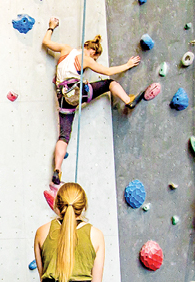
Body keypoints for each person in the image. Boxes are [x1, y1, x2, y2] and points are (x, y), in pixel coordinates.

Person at [42, 17, 150, 185]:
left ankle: (57, 170)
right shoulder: (87, 58)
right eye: (96, 57)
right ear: (92, 51)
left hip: (62, 99)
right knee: (108, 84)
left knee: (64, 136)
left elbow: (46, 42)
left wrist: (51, 27)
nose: (94, 61)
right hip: (77, 94)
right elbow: (108, 71)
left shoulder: (65, 49)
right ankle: (127, 99)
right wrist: (127, 65)